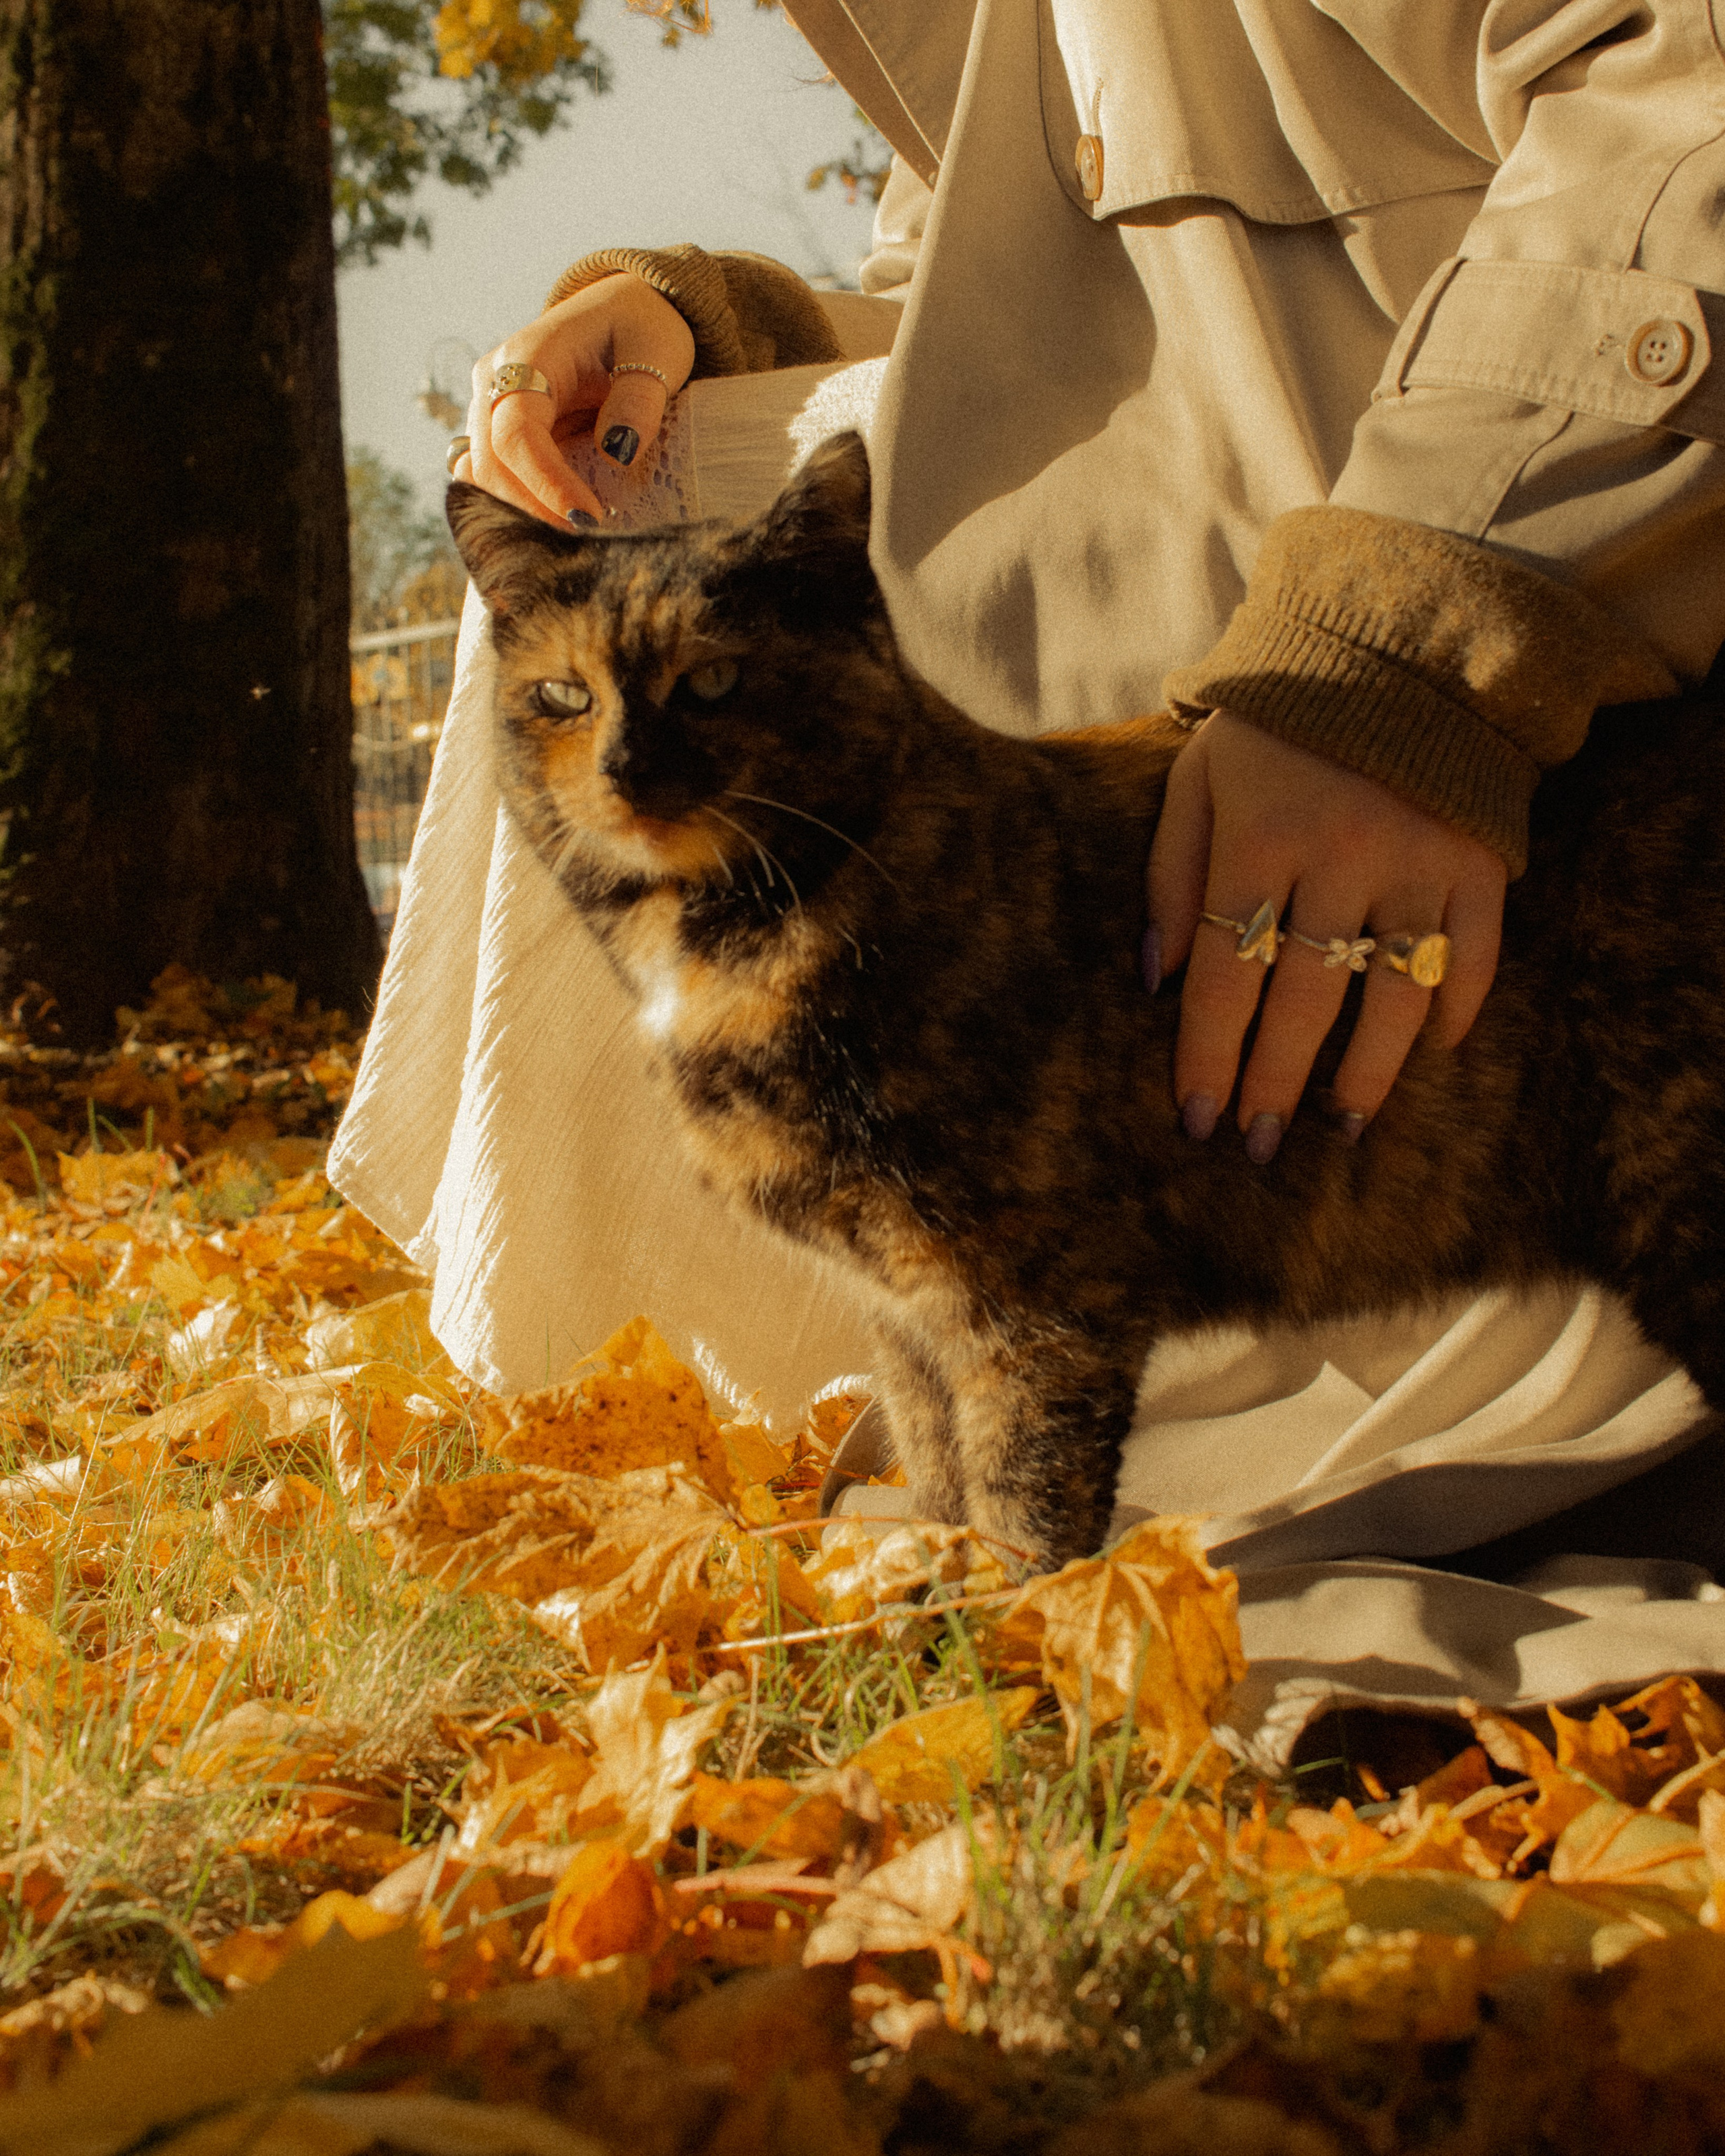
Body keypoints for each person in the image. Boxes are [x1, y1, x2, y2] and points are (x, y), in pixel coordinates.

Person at [332, 0, 1725, 1766]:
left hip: (1583, 601)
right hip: (1247, 661)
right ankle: (907, 1389)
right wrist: (710, 328)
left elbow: (1679, 89)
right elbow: (1039, 301)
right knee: (601, 491)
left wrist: (1406, 645)